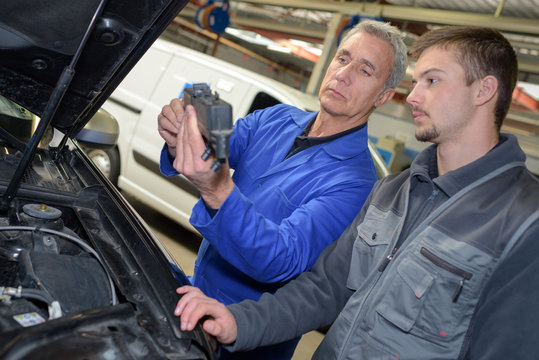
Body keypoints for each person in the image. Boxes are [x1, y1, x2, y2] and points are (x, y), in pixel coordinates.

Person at [173, 25, 539, 359]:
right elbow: (325, 289)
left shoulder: (524, 222)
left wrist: (220, 190)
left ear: (484, 90)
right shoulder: (393, 192)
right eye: (416, 82)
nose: (412, 98)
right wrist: (240, 322)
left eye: (431, 81)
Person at [157, 19, 407, 359]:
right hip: (196, 294)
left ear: (384, 96)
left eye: (365, 71)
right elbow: (219, 147)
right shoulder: (276, 118)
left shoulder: (357, 185)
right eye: (343, 58)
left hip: (248, 338)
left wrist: (217, 190)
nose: (343, 74)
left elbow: (281, 258)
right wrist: (180, 138)